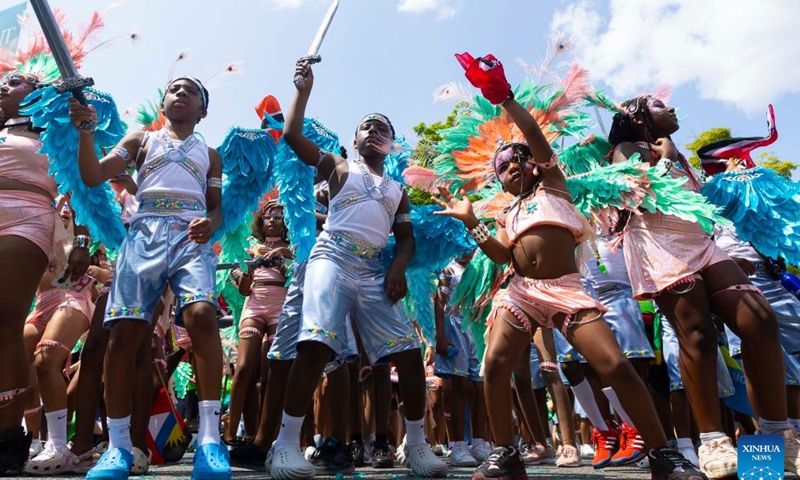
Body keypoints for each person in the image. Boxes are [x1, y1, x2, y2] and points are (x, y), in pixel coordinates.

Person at [433, 52, 705, 480]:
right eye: (502, 167)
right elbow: (502, 257)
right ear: (498, 180)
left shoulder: (555, 185)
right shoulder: (508, 213)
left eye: (519, 159)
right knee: (496, 365)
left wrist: (504, 99)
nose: (512, 166)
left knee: (614, 364)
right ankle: (505, 453)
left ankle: (663, 454)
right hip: (520, 293)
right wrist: (472, 223)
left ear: (535, 165)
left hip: (567, 290)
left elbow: (533, 136)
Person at [266, 61, 447, 480]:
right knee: (316, 345)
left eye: (381, 127)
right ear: (355, 138)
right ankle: (285, 445)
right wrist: (304, 90)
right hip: (330, 258)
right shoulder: (337, 166)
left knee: (407, 353)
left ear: (391, 144)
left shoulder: (397, 191)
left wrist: (398, 268)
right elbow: (292, 135)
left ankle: (415, 445)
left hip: (372, 270)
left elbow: (406, 241)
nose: (372, 130)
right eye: (365, 125)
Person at [609, 94, 800, 478]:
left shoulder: (678, 155)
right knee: (696, 333)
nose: (673, 109)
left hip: (701, 244)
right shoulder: (624, 149)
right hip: (659, 245)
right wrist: (664, 158)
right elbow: (638, 197)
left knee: (758, 320)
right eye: (661, 105)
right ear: (639, 116)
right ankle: (713, 441)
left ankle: (776, 439)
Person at [68, 77, 230, 480]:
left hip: (190, 237)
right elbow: (92, 175)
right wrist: (86, 134)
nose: (181, 93)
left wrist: (210, 225)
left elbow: (217, 209)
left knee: (202, 317)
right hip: (143, 236)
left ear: (203, 110)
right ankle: (119, 446)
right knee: (123, 333)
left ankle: (210, 440)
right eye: (174, 88)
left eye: (191, 90)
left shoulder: (210, 155)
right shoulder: (141, 140)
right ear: (162, 102)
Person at [0, 71, 90, 475]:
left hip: (27, 216)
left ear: (38, 93)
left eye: (15, 81)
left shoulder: (56, 130)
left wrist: (82, 245)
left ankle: (6, 438)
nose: (3, 84)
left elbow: (83, 188)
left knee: (4, 322)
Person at [225, 202, 290, 448]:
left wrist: (280, 259)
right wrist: (250, 268)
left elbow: (297, 279)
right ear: (260, 222)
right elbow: (243, 290)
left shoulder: (293, 248)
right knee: (242, 369)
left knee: (272, 373)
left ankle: (266, 435)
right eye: (267, 217)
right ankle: (230, 434)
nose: (272, 220)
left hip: (281, 307)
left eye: (278, 216)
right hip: (254, 304)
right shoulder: (248, 247)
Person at [433, 252, 492, 466]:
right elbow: (439, 303)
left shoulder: (479, 266)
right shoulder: (448, 270)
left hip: (476, 329)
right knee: (459, 388)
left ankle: (478, 442)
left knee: (480, 388)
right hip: (455, 330)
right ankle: (458, 444)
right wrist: (440, 335)